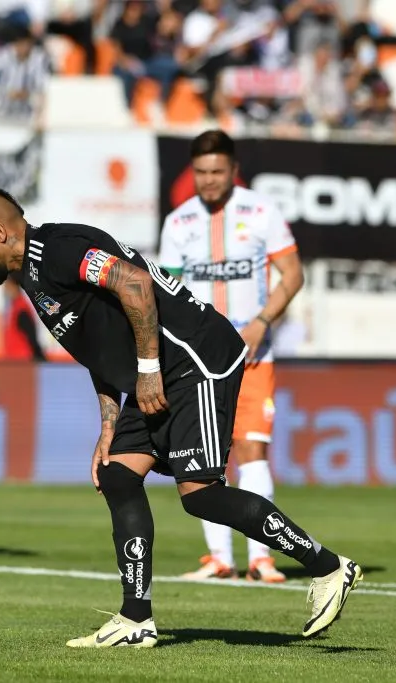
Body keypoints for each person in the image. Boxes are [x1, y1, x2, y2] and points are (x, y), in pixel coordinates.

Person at [0, 186, 361, 648]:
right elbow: (95, 347)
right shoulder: (32, 272)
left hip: (193, 360)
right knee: (117, 474)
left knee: (200, 494)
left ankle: (330, 568)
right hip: (157, 370)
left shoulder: (60, 251)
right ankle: (136, 619)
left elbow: (136, 284)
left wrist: (147, 372)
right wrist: (108, 424)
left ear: (0, 232)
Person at [158, 129, 304, 584]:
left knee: (251, 449)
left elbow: (293, 275)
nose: (209, 180)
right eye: (201, 172)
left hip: (252, 350)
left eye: (217, 171)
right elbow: (168, 292)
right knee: (204, 457)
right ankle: (220, 559)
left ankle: (262, 558)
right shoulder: (178, 222)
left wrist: (262, 320)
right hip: (197, 361)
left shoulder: (261, 211)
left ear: (234, 170)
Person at [3, 270, 45, 361]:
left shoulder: (21, 309)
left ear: (13, 285)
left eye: (7, 284)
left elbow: (31, 337)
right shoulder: (15, 307)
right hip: (15, 361)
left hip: (22, 362)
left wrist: (42, 359)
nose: (4, 288)